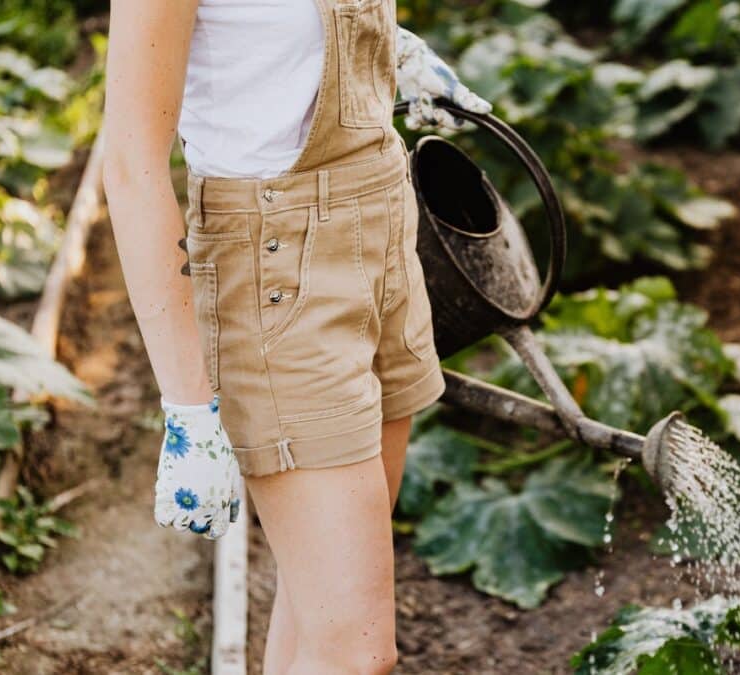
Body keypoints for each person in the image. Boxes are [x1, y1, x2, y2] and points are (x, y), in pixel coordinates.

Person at [101, 1, 490, 672]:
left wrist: (389, 48)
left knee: (318, 619)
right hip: (278, 266)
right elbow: (130, 162)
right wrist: (190, 407)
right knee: (357, 651)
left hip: (381, 232)